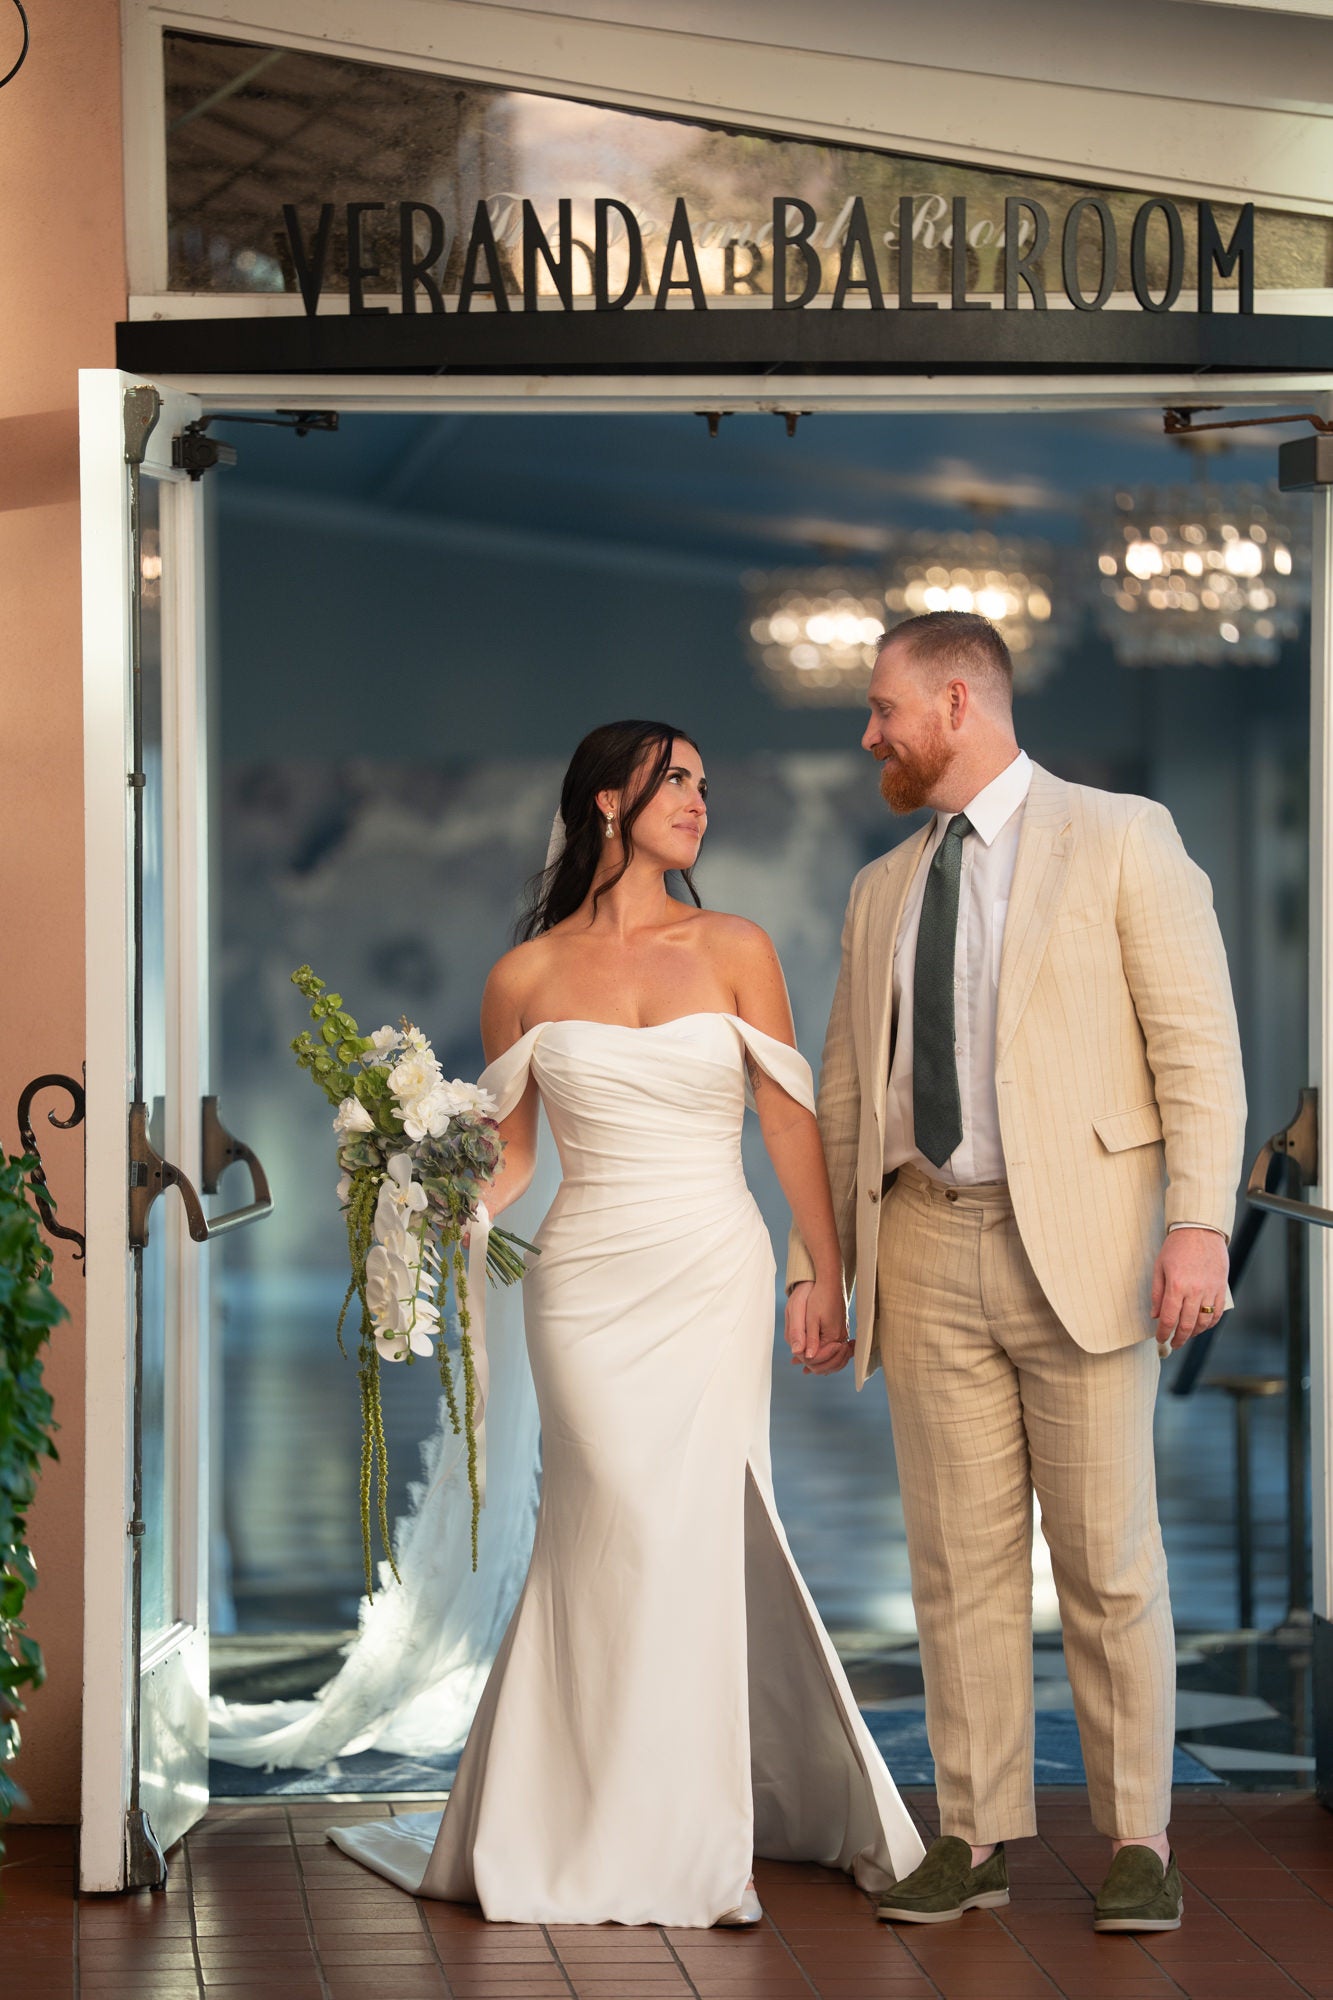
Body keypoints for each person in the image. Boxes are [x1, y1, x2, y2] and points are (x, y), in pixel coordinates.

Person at [328, 719, 924, 1927]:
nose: (699, 799)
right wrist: (426, 1198)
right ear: (608, 802)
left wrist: (824, 1269)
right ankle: (575, 1815)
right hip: (588, 1282)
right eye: (675, 780)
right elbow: (510, 1155)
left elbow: (789, 1119)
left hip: (712, 1268)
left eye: (703, 781)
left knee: (689, 1537)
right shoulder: (527, 975)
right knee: (605, 1527)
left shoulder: (738, 945)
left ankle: (692, 1834)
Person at [785, 611, 1246, 1936]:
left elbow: (1196, 1052)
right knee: (956, 1561)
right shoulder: (882, 886)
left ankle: (1139, 1842)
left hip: (1085, 1247)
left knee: (1107, 1559)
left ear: (953, 703)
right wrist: (830, 1261)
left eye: (882, 707)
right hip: (923, 1243)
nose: (869, 731)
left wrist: (1197, 1225)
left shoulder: (1121, 838)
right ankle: (973, 1835)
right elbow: (838, 1088)